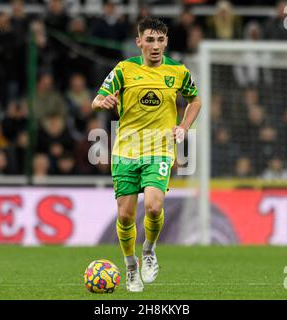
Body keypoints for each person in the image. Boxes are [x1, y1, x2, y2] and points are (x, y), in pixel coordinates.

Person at [91, 17, 201, 292]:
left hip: (160, 149)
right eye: (149, 40)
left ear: (166, 42)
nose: (155, 46)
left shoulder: (178, 71)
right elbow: (96, 100)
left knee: (153, 206)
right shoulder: (124, 70)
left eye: (160, 40)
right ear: (139, 42)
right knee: (126, 217)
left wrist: (184, 127)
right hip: (125, 151)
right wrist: (102, 102)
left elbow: (195, 99)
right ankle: (131, 267)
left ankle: (149, 251)